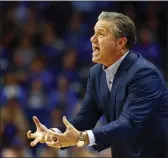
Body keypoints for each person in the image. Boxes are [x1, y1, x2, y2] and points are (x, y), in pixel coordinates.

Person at [27, 11, 168, 158]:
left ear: (120, 42)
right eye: (94, 33)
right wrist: (56, 134)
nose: (92, 39)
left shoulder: (144, 74)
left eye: (101, 34)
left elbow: (129, 123)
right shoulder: (96, 73)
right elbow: (86, 118)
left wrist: (82, 138)